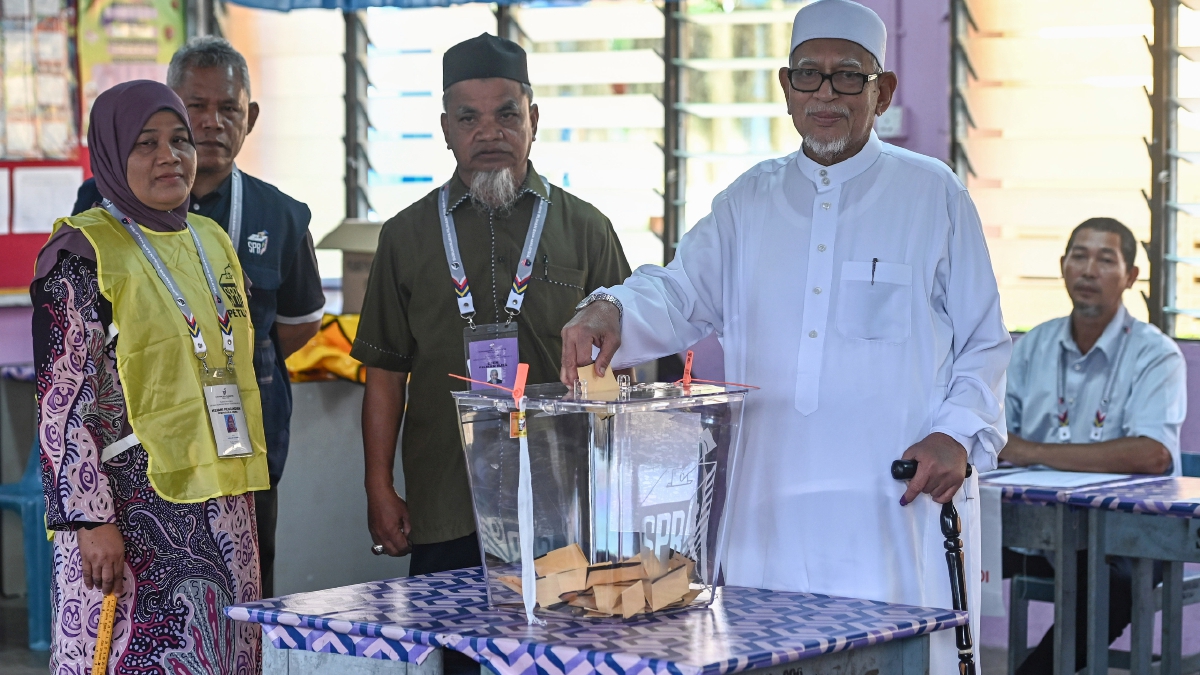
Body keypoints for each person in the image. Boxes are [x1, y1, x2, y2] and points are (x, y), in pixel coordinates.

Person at [559, 1, 1010, 671]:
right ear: (785, 87)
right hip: (769, 519)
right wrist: (611, 309)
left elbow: (984, 340)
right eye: (809, 76)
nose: (825, 94)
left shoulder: (932, 196)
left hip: (892, 511)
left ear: (882, 91)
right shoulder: (748, 200)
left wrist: (957, 432)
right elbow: (681, 291)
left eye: (848, 78)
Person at [352, 33, 632, 575]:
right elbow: (384, 374)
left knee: (559, 654)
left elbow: (622, 367)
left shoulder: (588, 229)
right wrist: (379, 489)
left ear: (533, 118)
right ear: (445, 130)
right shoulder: (405, 235)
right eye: (468, 118)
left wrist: (617, 486)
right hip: (445, 499)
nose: (489, 133)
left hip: (564, 499)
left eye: (506, 115)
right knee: (455, 654)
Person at [72, 37, 324, 599]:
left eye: (228, 108)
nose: (210, 123)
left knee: (245, 602)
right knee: (152, 610)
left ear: (250, 117)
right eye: (195, 108)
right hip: (143, 461)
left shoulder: (280, 213)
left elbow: (299, 324)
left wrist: (220, 356)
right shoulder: (101, 203)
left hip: (242, 447)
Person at [32, 80, 267, 673]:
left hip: (222, 501)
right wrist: (91, 521)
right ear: (111, 154)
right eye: (146, 144)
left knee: (228, 654)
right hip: (131, 513)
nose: (171, 157)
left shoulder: (210, 239)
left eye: (180, 140)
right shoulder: (82, 254)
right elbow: (63, 403)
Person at [1000, 217, 1184, 675]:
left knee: (1107, 585)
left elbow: (1151, 454)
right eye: (1078, 256)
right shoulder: (1031, 346)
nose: (1088, 270)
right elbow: (999, 440)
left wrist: (1032, 451)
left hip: (1128, 535)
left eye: (1106, 260)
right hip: (1041, 528)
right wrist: (1015, 448)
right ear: (1062, 266)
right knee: (941, 549)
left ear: (1130, 277)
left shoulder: (1155, 354)